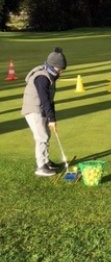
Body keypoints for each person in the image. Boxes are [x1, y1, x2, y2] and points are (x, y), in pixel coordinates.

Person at [21, 47, 67, 177]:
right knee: (42, 137)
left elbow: (50, 101)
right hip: (34, 109)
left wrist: (53, 119)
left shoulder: (50, 75)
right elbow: (44, 100)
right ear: (53, 66)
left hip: (40, 108)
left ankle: (46, 162)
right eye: (60, 69)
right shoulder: (42, 77)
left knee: (46, 135)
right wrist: (51, 119)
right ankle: (41, 167)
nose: (61, 72)